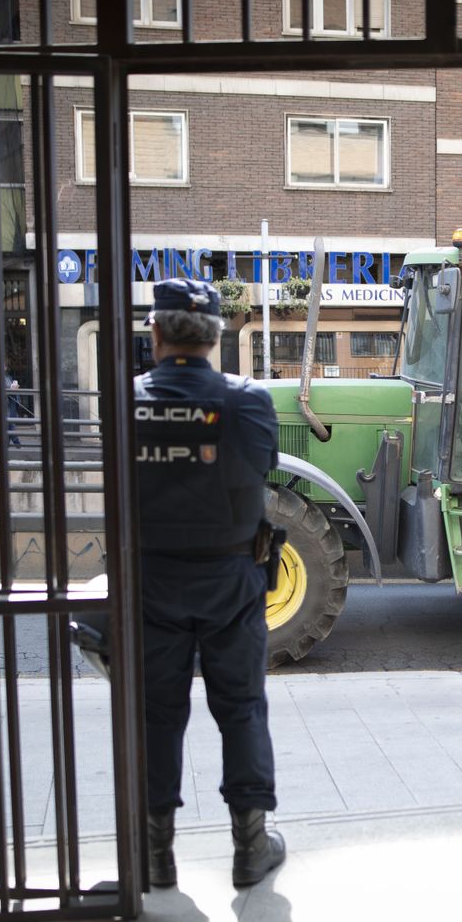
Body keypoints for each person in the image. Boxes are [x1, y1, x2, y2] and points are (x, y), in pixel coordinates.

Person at [135, 277, 287, 890]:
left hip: (151, 577)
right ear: (217, 337)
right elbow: (263, 464)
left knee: (156, 715)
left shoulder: (129, 399)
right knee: (242, 709)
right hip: (230, 577)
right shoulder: (247, 400)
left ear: (156, 334)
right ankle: (250, 849)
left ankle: (154, 855)